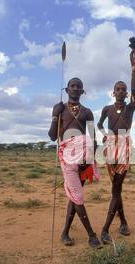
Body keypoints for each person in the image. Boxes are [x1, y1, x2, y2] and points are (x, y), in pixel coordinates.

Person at [48, 77, 102, 249]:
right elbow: (51, 136)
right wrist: (55, 116)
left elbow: (93, 139)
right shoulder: (60, 109)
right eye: (72, 86)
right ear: (67, 89)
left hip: (84, 158)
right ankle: (92, 235)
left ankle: (65, 232)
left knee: (74, 196)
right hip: (67, 158)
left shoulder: (87, 112)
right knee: (77, 196)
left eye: (79, 86)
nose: (75, 88)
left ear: (82, 91)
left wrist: (88, 161)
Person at [96, 51, 135, 244]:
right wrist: (105, 135)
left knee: (116, 189)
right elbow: (99, 125)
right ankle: (124, 223)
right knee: (116, 188)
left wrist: (133, 66)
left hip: (124, 147)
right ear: (113, 93)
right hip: (110, 147)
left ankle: (105, 229)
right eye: (118, 89)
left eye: (124, 89)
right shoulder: (107, 109)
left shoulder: (130, 108)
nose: (121, 92)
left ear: (127, 93)